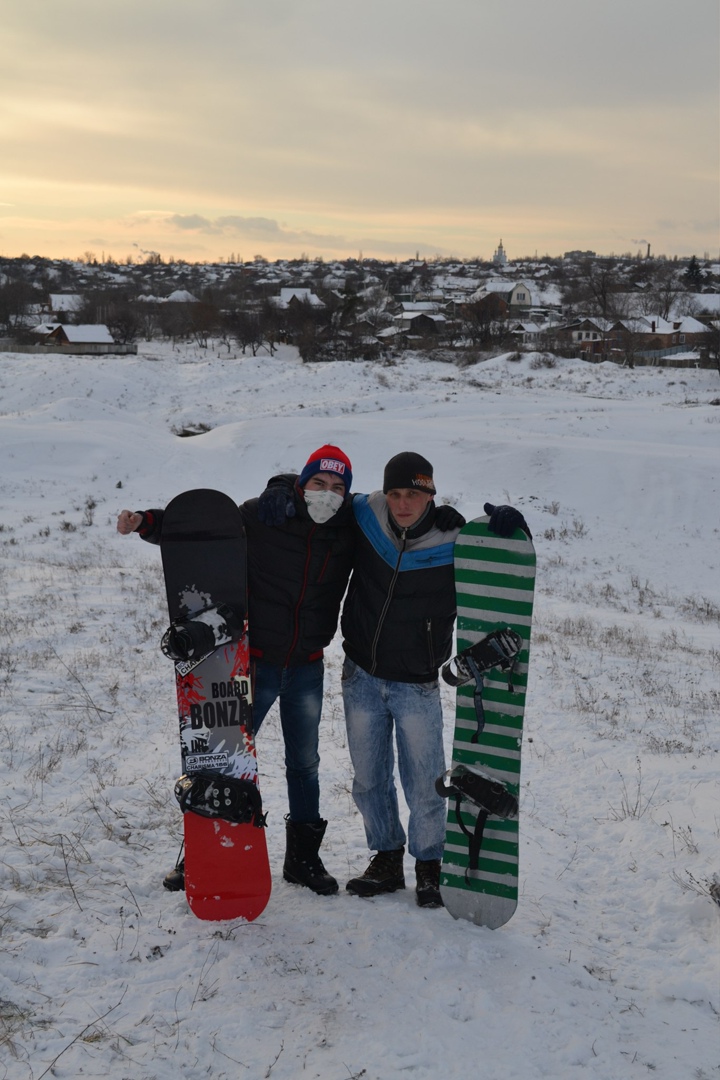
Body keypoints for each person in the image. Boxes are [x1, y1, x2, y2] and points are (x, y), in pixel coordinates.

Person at [116, 444, 357, 896]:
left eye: (338, 487)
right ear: (302, 485)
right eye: (318, 485)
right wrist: (148, 522)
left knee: (304, 764)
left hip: (306, 666)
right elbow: (201, 530)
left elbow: (398, 521)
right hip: (254, 664)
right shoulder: (264, 515)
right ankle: (203, 851)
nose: (327, 494)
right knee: (223, 758)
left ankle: (303, 859)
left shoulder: (348, 529)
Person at [338, 452, 530, 909]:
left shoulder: (455, 539)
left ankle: (429, 865)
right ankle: (385, 858)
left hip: (417, 684)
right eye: (397, 494)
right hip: (361, 674)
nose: (404, 504)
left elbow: (501, 564)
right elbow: (321, 493)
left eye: (416, 494)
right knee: (369, 779)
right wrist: (284, 488)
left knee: (425, 782)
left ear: (430, 495)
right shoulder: (365, 514)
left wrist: (511, 526)